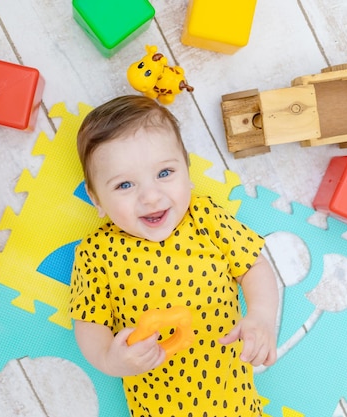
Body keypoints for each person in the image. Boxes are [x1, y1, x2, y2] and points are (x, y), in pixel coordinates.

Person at [69, 95, 279, 416]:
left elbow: (252, 265)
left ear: (187, 170)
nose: (151, 197)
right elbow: (88, 322)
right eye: (125, 185)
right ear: (96, 198)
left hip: (235, 403)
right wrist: (110, 360)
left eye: (165, 173)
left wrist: (261, 314)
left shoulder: (205, 216)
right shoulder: (95, 253)